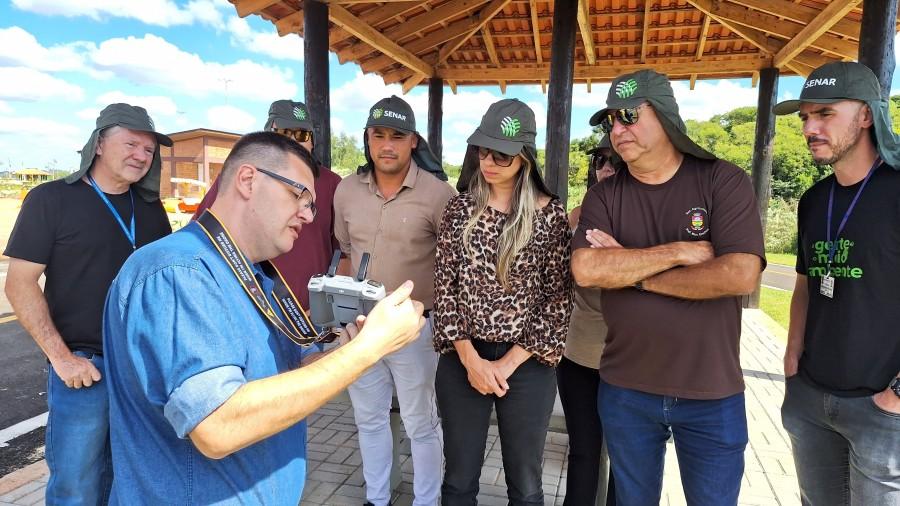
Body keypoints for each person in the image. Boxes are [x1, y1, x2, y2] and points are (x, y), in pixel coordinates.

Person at [102, 131, 426, 505]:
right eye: (298, 195)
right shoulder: (179, 272)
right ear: (248, 180)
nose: (307, 214)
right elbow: (218, 425)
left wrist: (349, 346)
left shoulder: (256, 275)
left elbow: (285, 375)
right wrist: (367, 351)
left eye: (312, 205)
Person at [571, 70, 765, 505]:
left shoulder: (722, 180)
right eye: (610, 122)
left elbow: (738, 275)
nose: (617, 130)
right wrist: (678, 250)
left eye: (627, 116)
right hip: (625, 389)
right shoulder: (606, 195)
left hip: (710, 392)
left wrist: (632, 270)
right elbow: (586, 268)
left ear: (666, 117)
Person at [3, 104, 173, 505]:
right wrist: (62, 359)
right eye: (131, 143)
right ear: (98, 144)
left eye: (149, 150)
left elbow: (165, 285)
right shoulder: (51, 199)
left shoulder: (150, 208)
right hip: (84, 372)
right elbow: (19, 285)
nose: (141, 156)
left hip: (141, 372)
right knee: (75, 487)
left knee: (129, 482)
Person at [432, 98, 572, 505]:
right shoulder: (460, 209)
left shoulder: (551, 216)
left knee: (526, 483)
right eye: (482, 149)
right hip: (463, 356)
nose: (488, 161)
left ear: (524, 157)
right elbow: (446, 287)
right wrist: (472, 361)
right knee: (458, 478)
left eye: (502, 154)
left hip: (525, 363)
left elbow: (557, 300)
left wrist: (505, 364)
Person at [774, 61, 900, 504]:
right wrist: (792, 362)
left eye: (825, 113)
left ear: (866, 115)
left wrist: (897, 394)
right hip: (811, 399)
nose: (810, 127)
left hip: (883, 410)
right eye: (805, 116)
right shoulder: (813, 201)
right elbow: (806, 284)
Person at [333, 95, 454, 506]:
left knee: (421, 421)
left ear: (413, 141)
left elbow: (453, 265)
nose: (387, 145)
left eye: (397, 137)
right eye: (378, 135)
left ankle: (426, 501)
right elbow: (346, 251)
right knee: (369, 419)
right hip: (361, 325)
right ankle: (377, 498)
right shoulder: (347, 191)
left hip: (415, 329)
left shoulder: (440, 195)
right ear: (367, 138)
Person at [193, 99, 341, 310]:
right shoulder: (239, 175)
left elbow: (342, 254)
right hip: (249, 307)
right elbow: (205, 232)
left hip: (308, 319)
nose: (293, 142)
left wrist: (323, 308)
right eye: (283, 133)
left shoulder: (334, 184)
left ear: (313, 141)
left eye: (301, 135)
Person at [558, 136, 617, 506]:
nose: (607, 168)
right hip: (578, 352)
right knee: (583, 452)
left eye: (615, 161)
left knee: (629, 461)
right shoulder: (579, 215)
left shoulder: (647, 211)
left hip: (630, 356)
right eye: (600, 160)